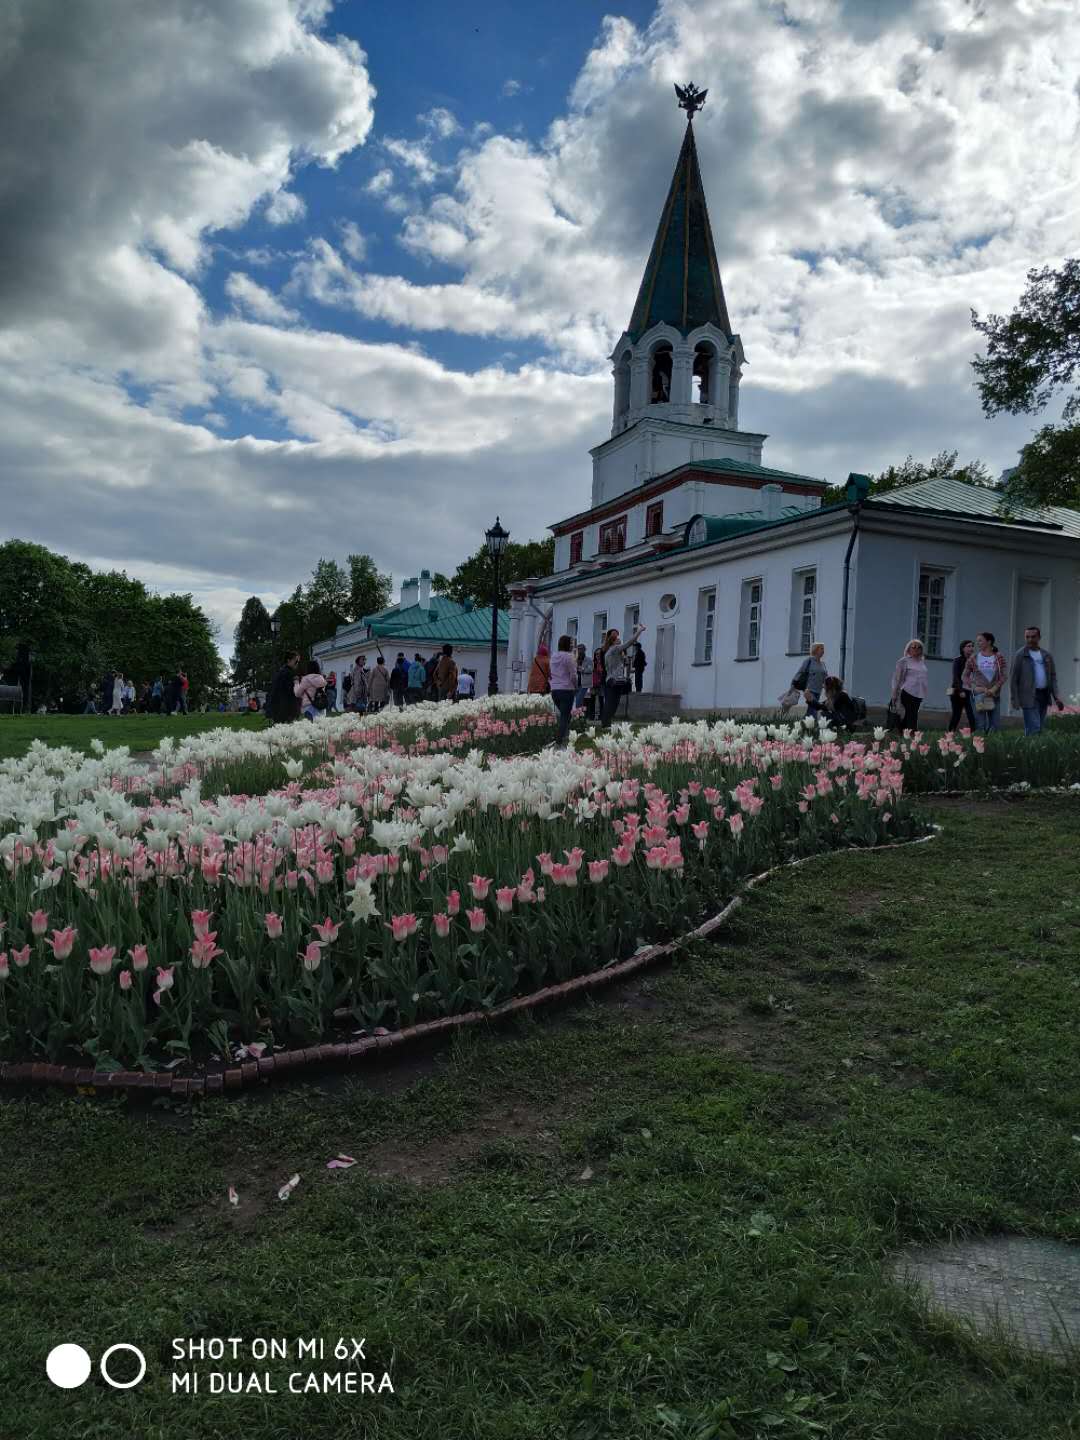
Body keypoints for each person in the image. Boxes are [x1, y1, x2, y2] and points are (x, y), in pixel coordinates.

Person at [1010, 626, 1065, 735]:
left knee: (1039, 727)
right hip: (1028, 696)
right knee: (1034, 727)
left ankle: (1033, 745)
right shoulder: (1020, 655)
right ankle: (1032, 744)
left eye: (1033, 637)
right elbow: (1013, 678)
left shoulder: (1046, 655)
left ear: (1039, 637)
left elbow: (1052, 677)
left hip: (1044, 694)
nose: (1030, 639)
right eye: (1027, 637)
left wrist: (1057, 697)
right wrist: (1014, 699)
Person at [600, 624, 646, 727]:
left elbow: (618, 665)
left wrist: (623, 659)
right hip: (614, 680)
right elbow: (630, 642)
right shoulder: (615, 649)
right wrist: (639, 631)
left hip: (611, 679)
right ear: (613, 641)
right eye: (617, 639)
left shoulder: (609, 651)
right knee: (612, 703)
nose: (620, 641)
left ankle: (606, 723)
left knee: (612, 703)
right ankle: (606, 724)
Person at [962, 632, 1006, 733]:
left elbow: (1004, 675)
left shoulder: (998, 657)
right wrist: (974, 687)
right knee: (980, 725)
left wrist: (994, 688)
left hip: (994, 695)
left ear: (989, 642)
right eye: (977, 641)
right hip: (979, 695)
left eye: (980, 641)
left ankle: (992, 742)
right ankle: (979, 741)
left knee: (995, 726)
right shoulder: (973, 658)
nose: (978, 643)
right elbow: (964, 676)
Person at [889, 639, 929, 732]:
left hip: (918, 694)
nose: (916, 649)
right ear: (908, 649)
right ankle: (908, 734)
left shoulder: (921, 662)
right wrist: (894, 693)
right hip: (907, 691)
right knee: (908, 716)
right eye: (913, 647)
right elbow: (897, 679)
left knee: (913, 715)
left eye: (919, 647)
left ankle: (908, 734)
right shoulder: (904, 661)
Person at [549, 635, 578, 748]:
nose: (572, 646)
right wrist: (575, 686)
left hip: (555, 690)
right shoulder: (569, 657)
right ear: (567, 645)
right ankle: (559, 741)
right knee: (565, 716)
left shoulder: (554, 656)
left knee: (565, 715)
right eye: (571, 643)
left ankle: (566, 736)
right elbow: (573, 675)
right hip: (566, 689)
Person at [947, 640, 976, 732]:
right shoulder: (958, 660)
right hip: (957, 691)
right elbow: (956, 677)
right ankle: (950, 732)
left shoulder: (973, 661)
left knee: (971, 713)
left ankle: (974, 733)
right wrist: (961, 690)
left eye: (972, 646)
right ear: (963, 648)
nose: (971, 648)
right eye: (968, 646)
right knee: (957, 714)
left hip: (969, 691)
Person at [791, 643, 827, 718]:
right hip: (809, 690)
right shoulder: (809, 661)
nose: (823, 651)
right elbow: (800, 672)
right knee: (814, 710)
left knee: (811, 710)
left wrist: (827, 686)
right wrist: (793, 684)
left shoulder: (823, 664)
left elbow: (825, 676)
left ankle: (803, 723)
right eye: (821, 648)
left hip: (818, 690)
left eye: (823, 649)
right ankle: (812, 723)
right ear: (816, 650)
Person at [267, 651, 301, 724]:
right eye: (296, 661)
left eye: (298, 662)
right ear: (288, 660)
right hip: (286, 710)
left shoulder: (281, 672)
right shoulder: (288, 673)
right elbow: (292, 692)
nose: (297, 663)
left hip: (280, 709)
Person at [573, 644, 589, 712]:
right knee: (578, 700)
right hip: (575, 683)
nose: (580, 651)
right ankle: (580, 715)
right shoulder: (574, 659)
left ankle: (577, 714)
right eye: (578, 649)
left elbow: (591, 669)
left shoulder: (588, 660)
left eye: (581, 649)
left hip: (583, 683)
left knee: (578, 700)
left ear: (584, 650)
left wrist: (582, 669)